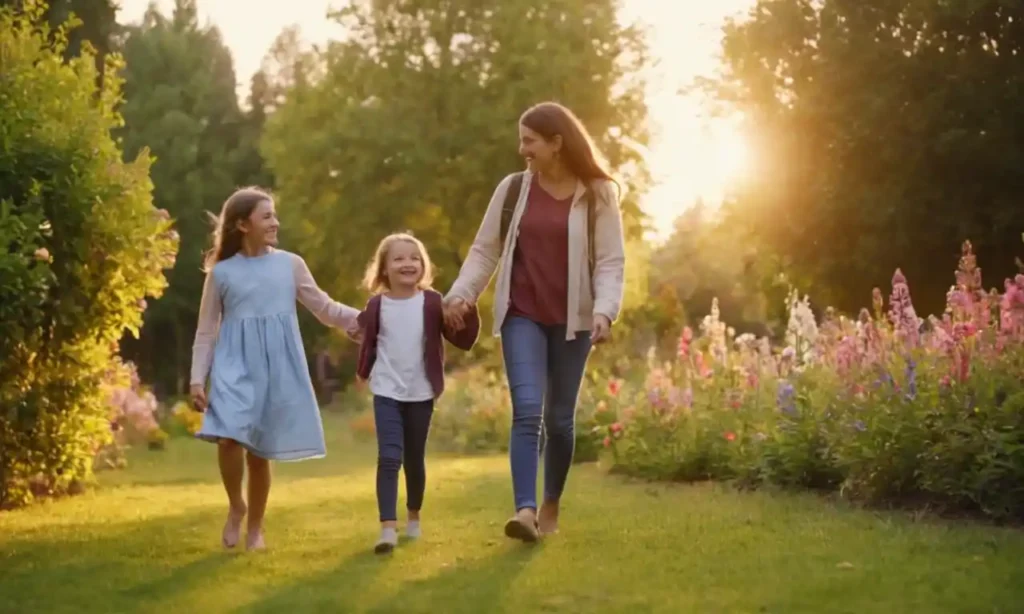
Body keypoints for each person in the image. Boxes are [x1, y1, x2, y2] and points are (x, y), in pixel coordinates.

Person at [443, 102, 626, 542]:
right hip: (521, 314)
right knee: (527, 412)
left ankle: (550, 502)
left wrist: (604, 310)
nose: (521, 148)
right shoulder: (512, 190)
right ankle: (524, 511)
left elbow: (610, 261)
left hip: (574, 321)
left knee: (560, 419)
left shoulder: (598, 193)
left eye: (529, 140)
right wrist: (461, 295)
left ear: (556, 143)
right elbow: (486, 249)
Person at [190, 186, 360, 551]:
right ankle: (237, 505)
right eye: (266, 216)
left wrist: (366, 320)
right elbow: (206, 329)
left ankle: (255, 528)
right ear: (242, 224)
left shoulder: (290, 264)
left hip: (276, 366)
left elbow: (324, 307)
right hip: (233, 364)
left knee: (260, 451)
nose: (275, 222)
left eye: (274, 215)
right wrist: (196, 379)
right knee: (229, 437)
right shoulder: (222, 273)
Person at [354, 232, 480, 554]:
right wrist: (361, 358)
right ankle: (387, 529)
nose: (407, 263)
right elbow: (362, 330)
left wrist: (466, 307)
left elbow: (462, 338)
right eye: (398, 258)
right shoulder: (376, 305)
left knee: (413, 459)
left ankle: (413, 516)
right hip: (386, 390)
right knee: (389, 457)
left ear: (423, 265)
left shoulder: (433, 302)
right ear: (384, 269)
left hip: (421, 391)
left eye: (414, 257)